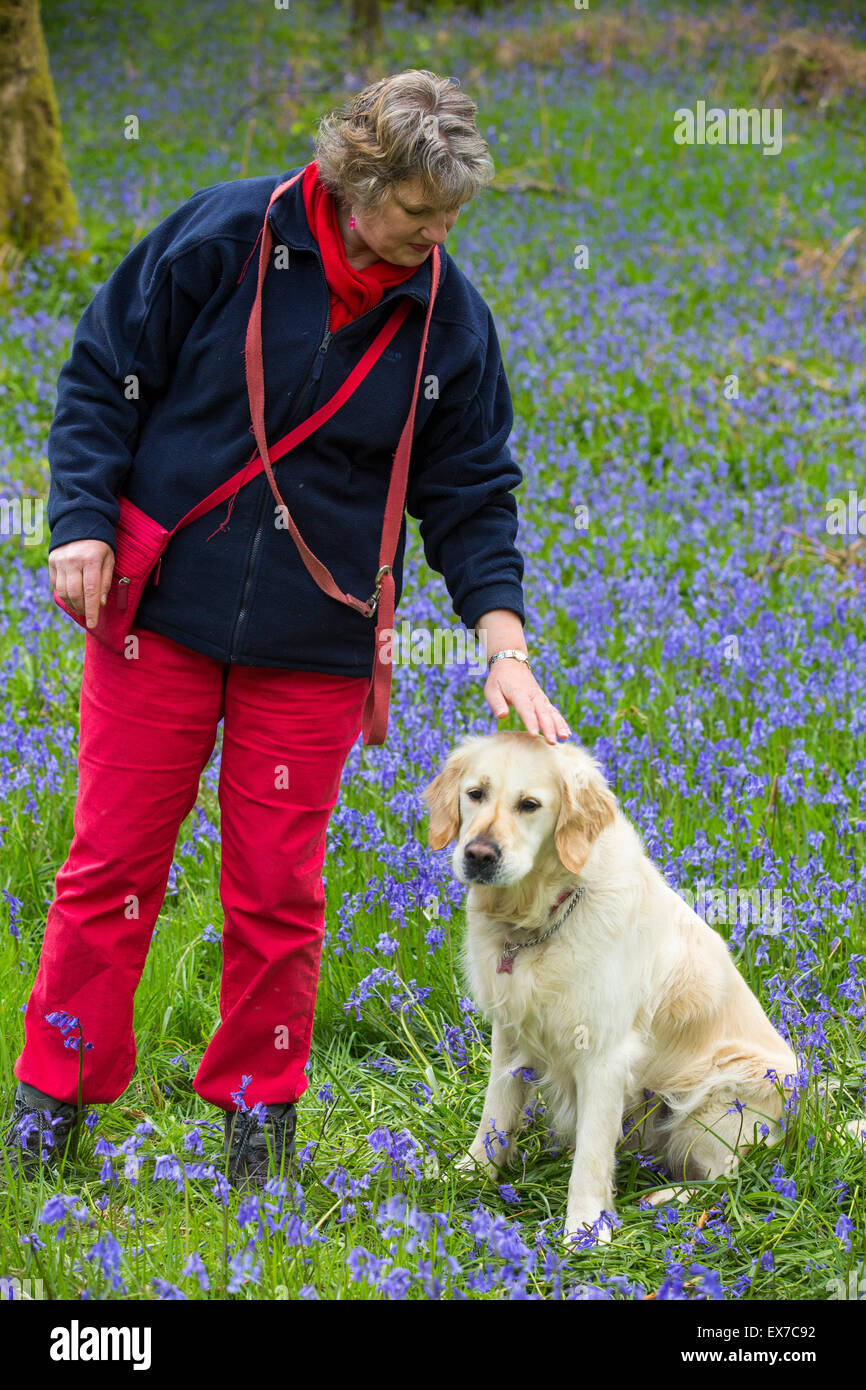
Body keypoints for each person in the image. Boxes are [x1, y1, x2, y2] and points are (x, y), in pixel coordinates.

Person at [2, 69, 570, 1188]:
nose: (433, 232)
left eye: (449, 213)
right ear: (356, 180)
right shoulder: (220, 237)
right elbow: (100, 381)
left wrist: (501, 642)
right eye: (415, 208)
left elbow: (470, 493)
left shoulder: (447, 318)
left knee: (277, 896)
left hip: (314, 641)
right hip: (156, 612)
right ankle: (52, 1102)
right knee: (112, 868)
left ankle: (258, 1130)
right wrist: (79, 521)